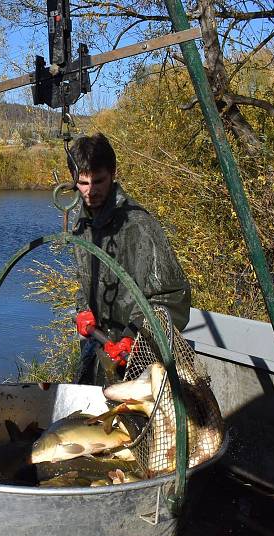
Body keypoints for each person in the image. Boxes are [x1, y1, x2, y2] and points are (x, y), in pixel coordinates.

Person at [69, 133, 191, 384]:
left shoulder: (139, 227)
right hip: (101, 350)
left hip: (141, 358)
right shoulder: (82, 224)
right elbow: (86, 280)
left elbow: (172, 299)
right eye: (82, 183)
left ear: (113, 173)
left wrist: (133, 337)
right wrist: (84, 310)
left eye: (98, 181)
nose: (90, 191)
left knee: (134, 421)